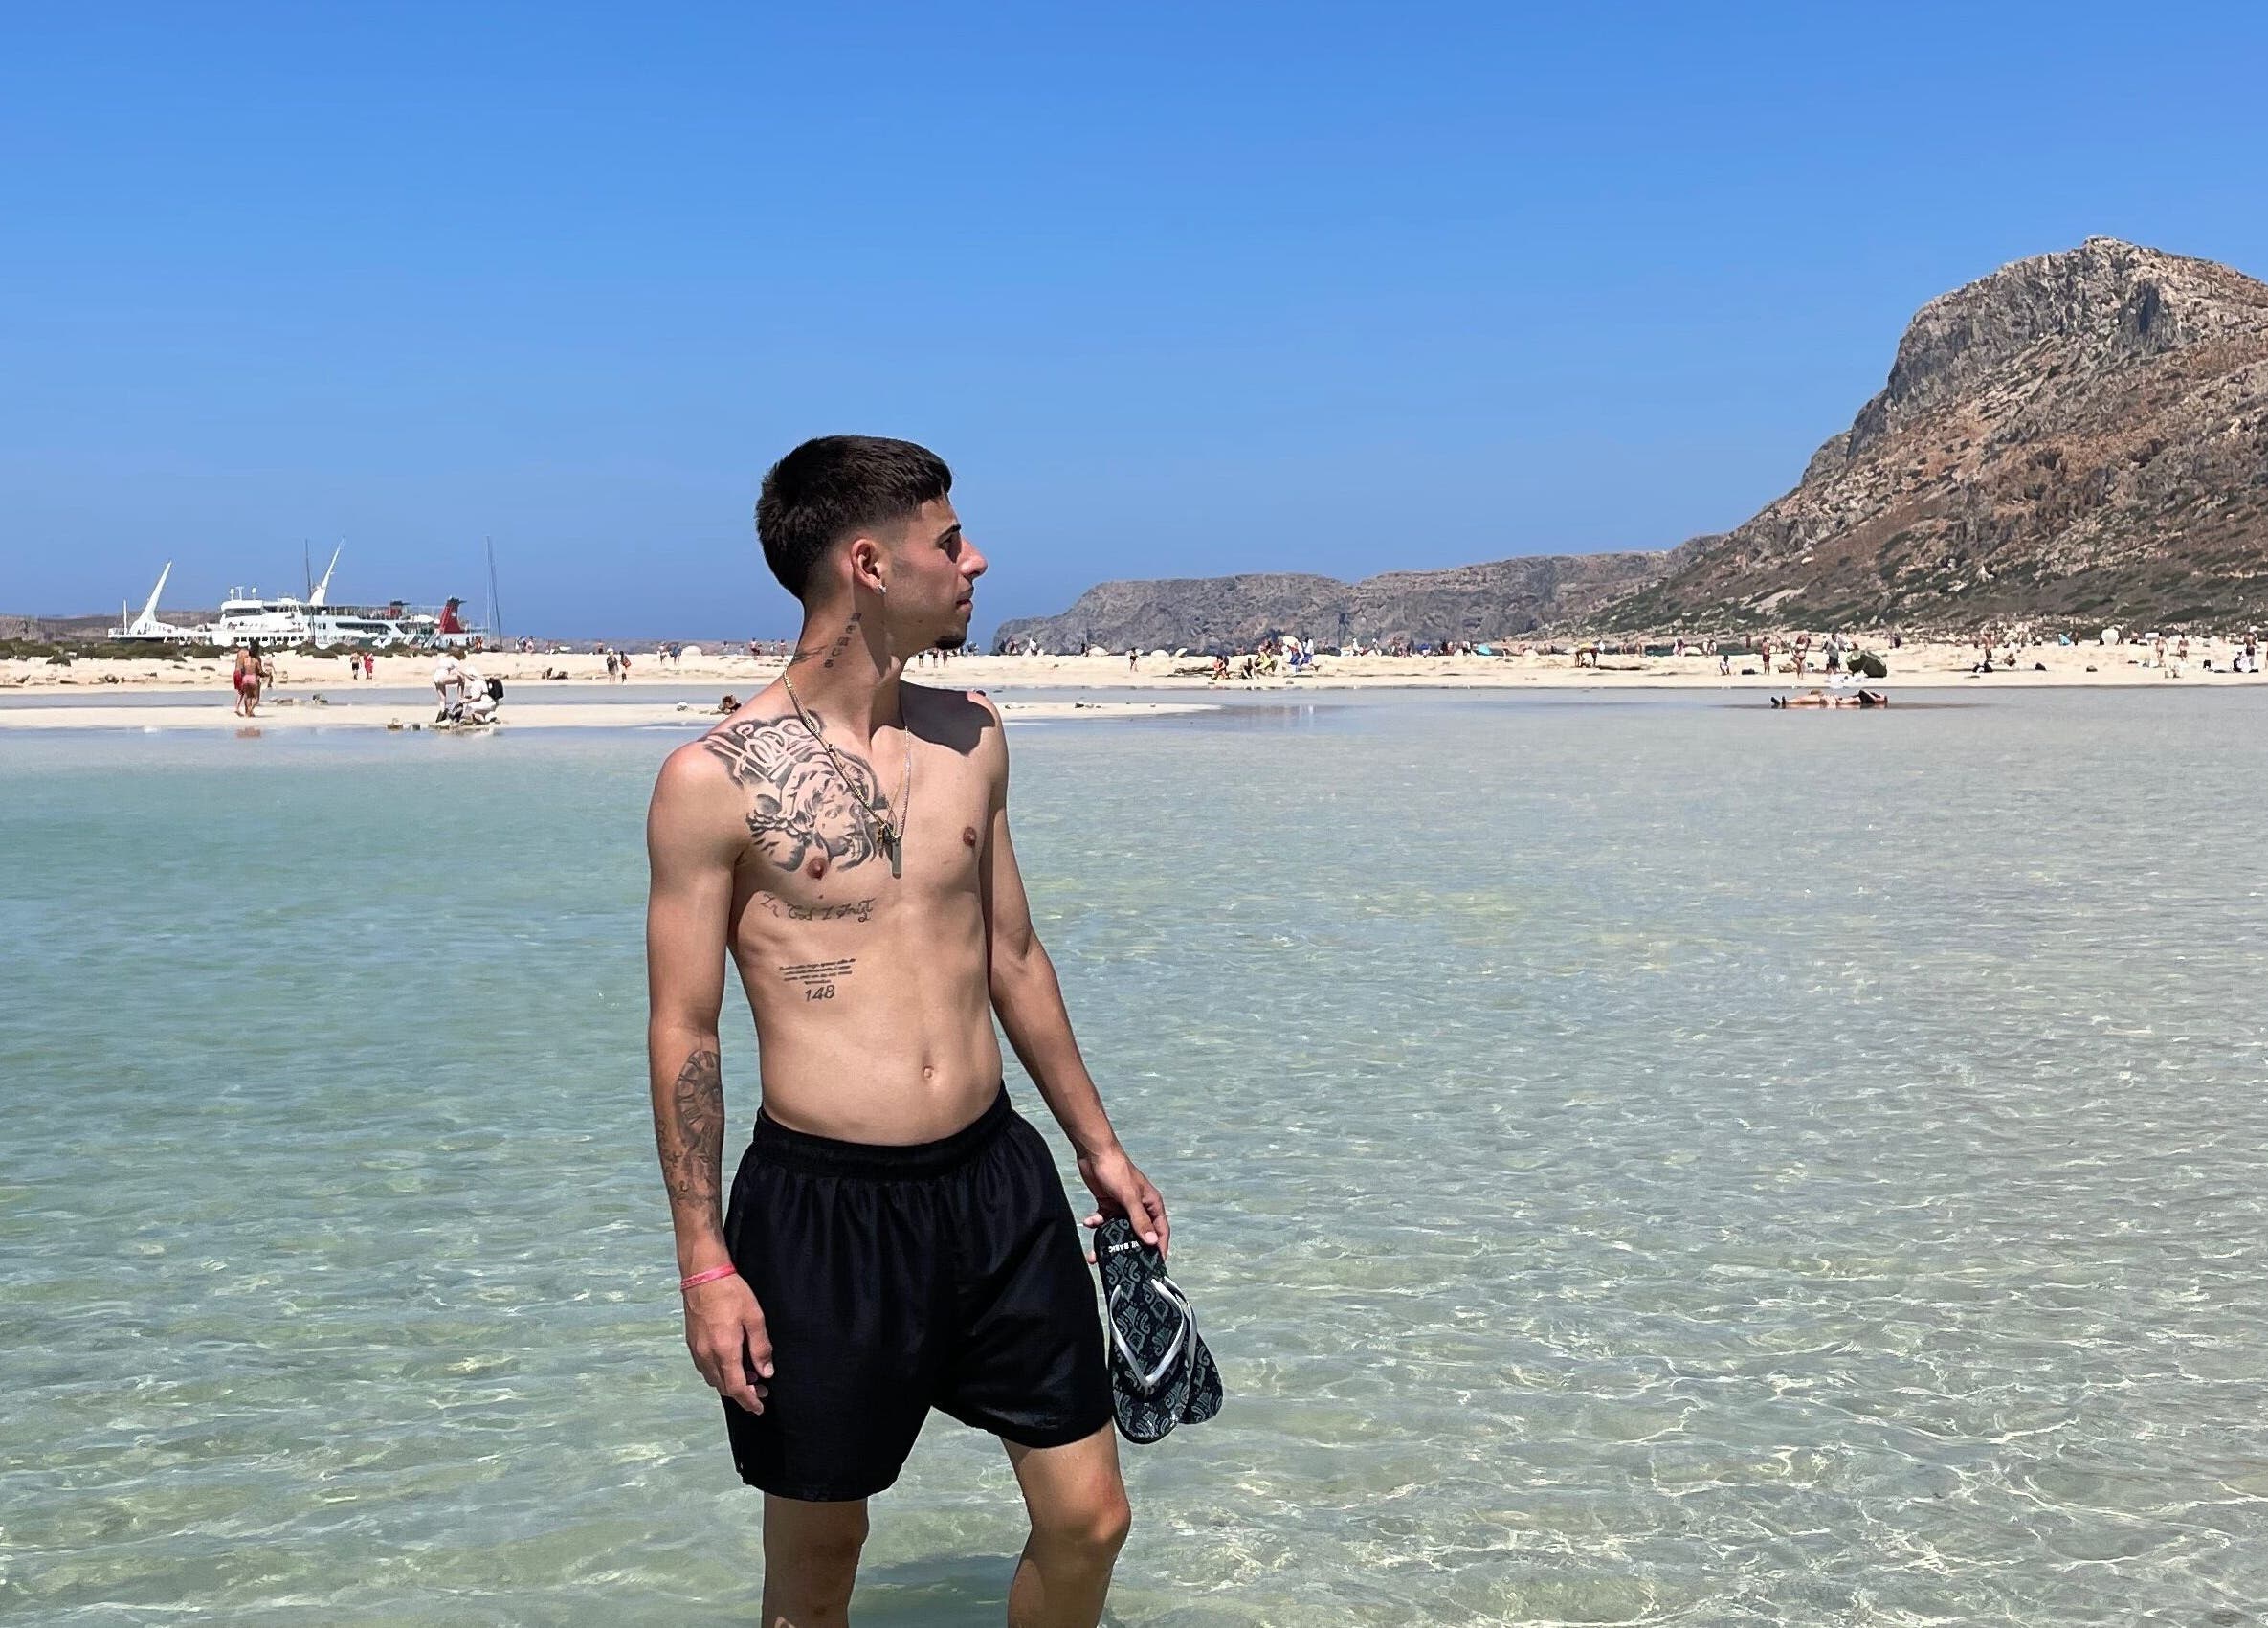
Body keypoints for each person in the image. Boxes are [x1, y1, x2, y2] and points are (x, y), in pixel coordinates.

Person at [644, 435, 1161, 1628]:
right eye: (949, 540)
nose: (975, 560)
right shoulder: (710, 780)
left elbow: (1012, 955)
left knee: (1092, 1519)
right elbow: (685, 1029)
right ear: (871, 565)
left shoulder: (972, 736)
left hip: (996, 1183)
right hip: (824, 1214)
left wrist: (1099, 1146)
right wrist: (705, 1264)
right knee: (819, 1573)